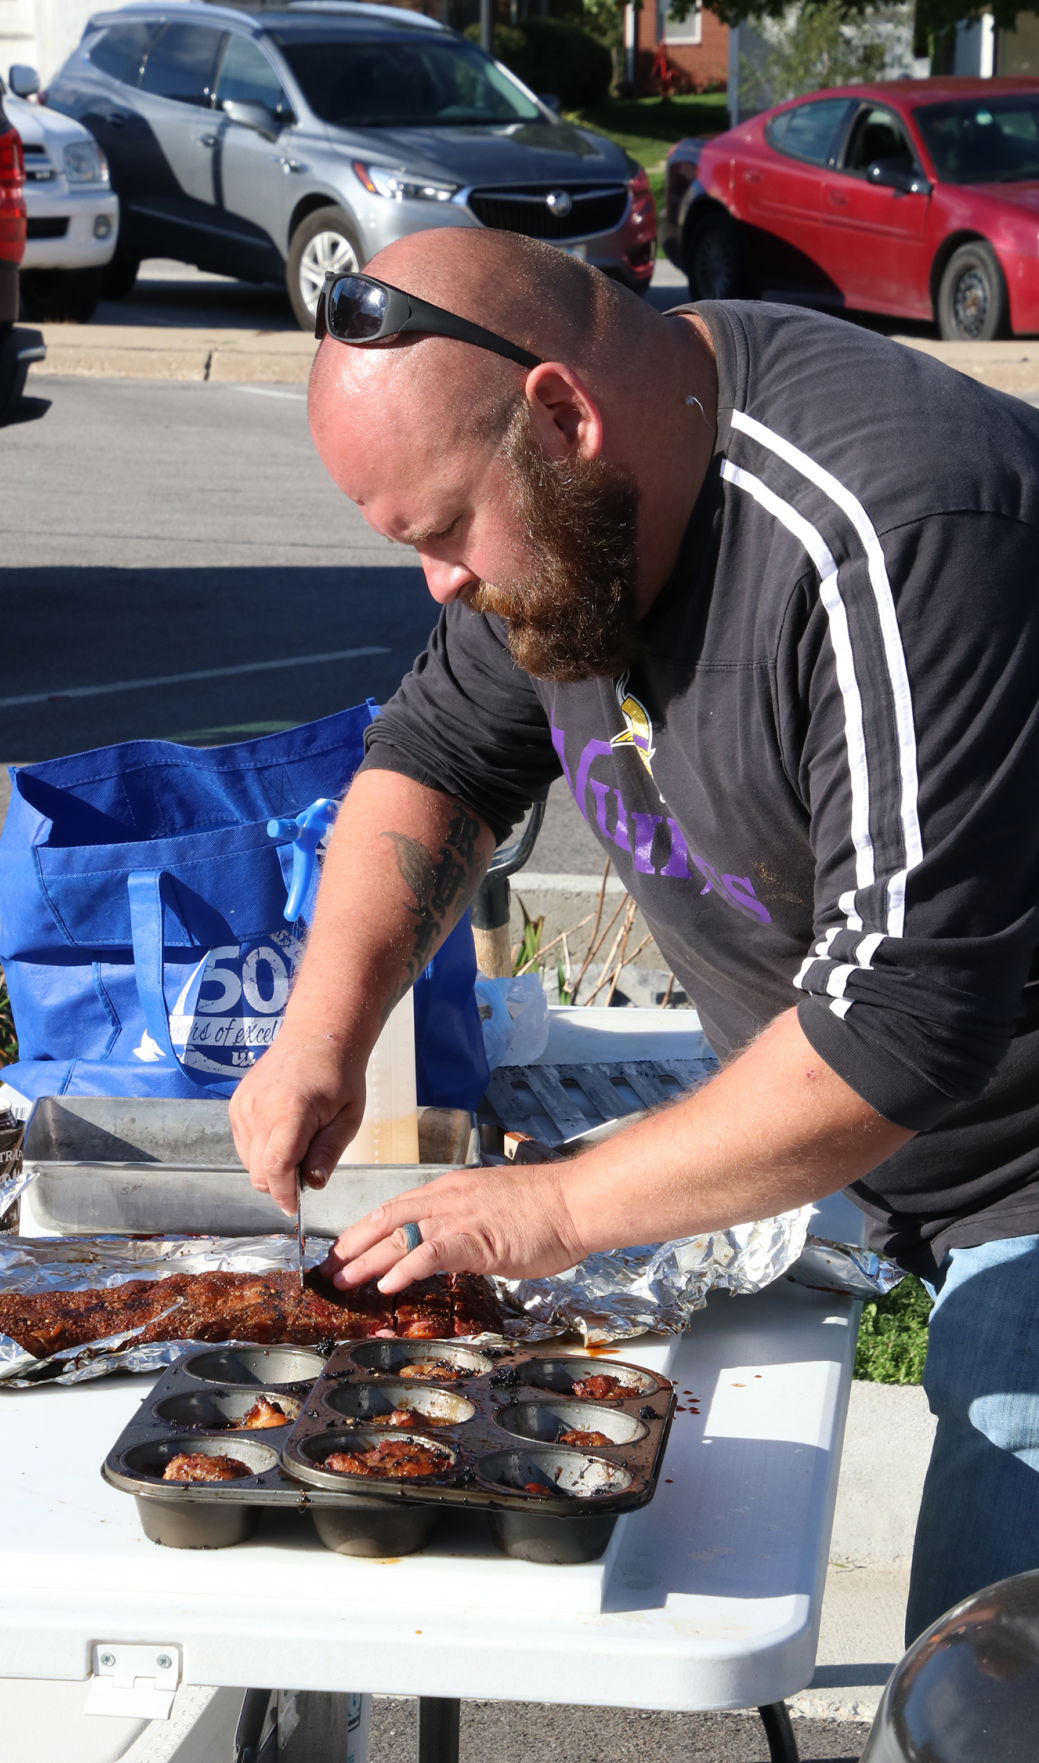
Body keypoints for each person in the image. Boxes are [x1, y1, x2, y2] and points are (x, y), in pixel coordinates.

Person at [228, 227, 1039, 1641]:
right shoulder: (579, 501)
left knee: (982, 1678)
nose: (439, 588)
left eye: (441, 533)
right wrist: (319, 1034)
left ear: (559, 412)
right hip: (878, 1146)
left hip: (1008, 1159)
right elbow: (433, 760)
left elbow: (901, 1020)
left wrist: (553, 1207)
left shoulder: (896, 532)